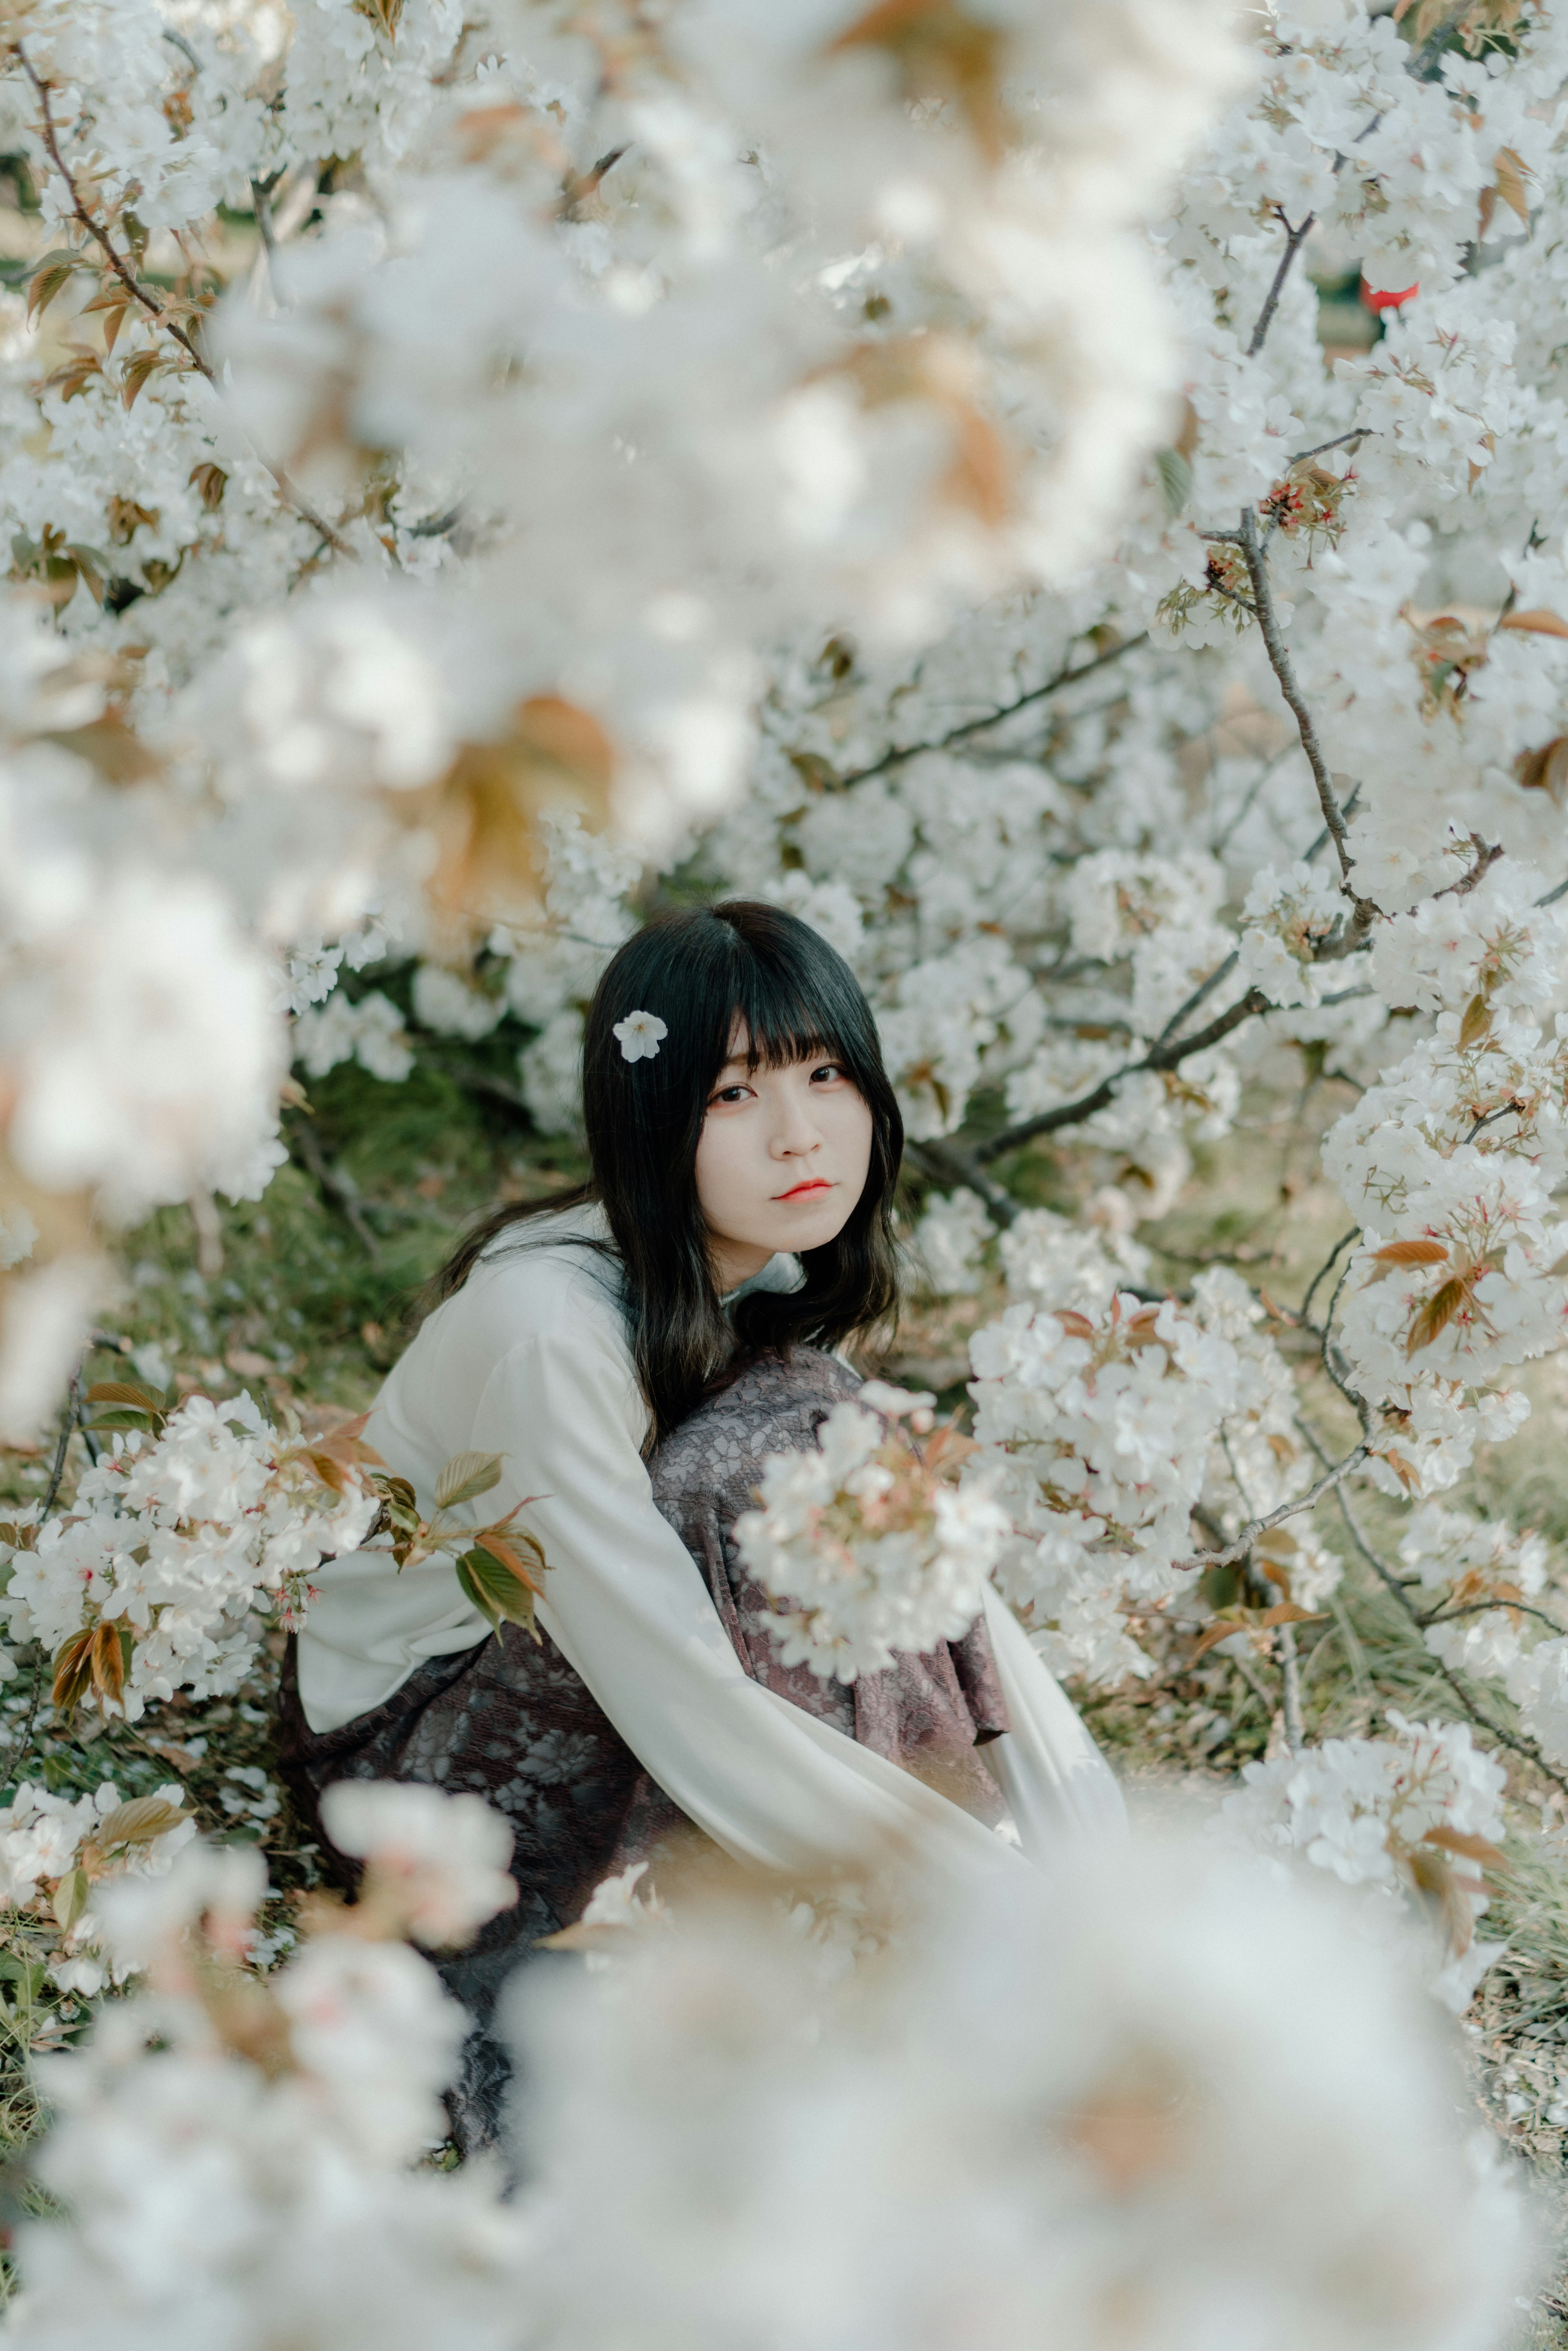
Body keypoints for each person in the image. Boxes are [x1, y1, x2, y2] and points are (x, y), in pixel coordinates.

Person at [279, 901, 1122, 2145]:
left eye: (826, 1075)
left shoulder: (749, 1291)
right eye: (734, 1095)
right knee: (774, 1461)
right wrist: (982, 1902)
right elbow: (684, 1689)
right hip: (417, 1758)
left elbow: (947, 1596)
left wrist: (1096, 1878)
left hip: (597, 1685)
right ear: (653, 1118)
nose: (798, 1134)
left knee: (822, 1442)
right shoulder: (547, 1330)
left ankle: (900, 1940)